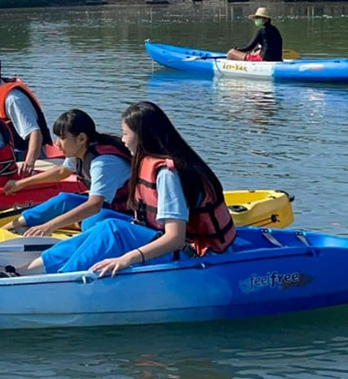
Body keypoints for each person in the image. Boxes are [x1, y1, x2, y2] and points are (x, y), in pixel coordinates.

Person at [25, 101, 235, 276]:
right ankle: (27, 270)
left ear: (142, 136)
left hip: (194, 253)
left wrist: (128, 258)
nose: (122, 139)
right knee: (104, 224)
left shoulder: (167, 174)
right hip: (160, 239)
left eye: (126, 133)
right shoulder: (148, 163)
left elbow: (176, 238)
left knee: (113, 230)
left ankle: (58, 281)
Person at [3, 109, 133, 236]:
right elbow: (61, 172)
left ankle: (74, 228)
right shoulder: (80, 151)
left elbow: (94, 205)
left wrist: (49, 226)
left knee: (91, 220)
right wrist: (21, 184)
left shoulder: (103, 163)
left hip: (128, 215)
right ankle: (6, 229)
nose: (57, 144)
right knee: (64, 199)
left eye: (62, 138)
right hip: (109, 205)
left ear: (81, 138)